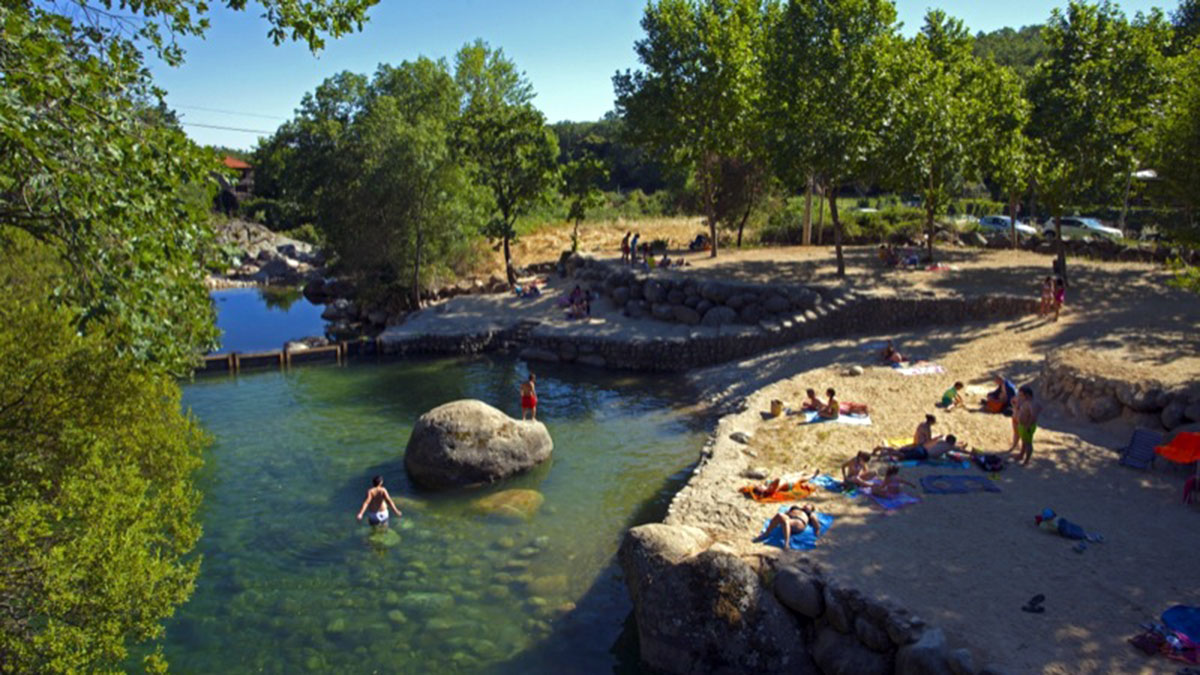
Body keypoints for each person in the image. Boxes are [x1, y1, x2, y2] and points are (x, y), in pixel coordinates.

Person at [754, 504, 820, 549]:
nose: (807, 506)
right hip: (789, 518)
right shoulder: (795, 507)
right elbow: (785, 513)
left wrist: (816, 532)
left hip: (799, 522)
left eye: (809, 506)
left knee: (786, 522)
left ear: (811, 509)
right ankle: (766, 534)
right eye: (807, 504)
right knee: (779, 515)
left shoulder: (810, 513)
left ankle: (786, 543)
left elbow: (816, 524)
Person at [1012, 386, 1041, 466]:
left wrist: (1027, 426)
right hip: (1023, 425)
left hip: (1027, 426)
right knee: (1024, 441)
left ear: (1027, 395)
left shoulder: (1032, 403)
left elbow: (1033, 416)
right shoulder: (1027, 401)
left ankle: (1026, 461)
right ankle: (1021, 455)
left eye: (1021, 395)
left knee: (1028, 443)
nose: (1020, 397)